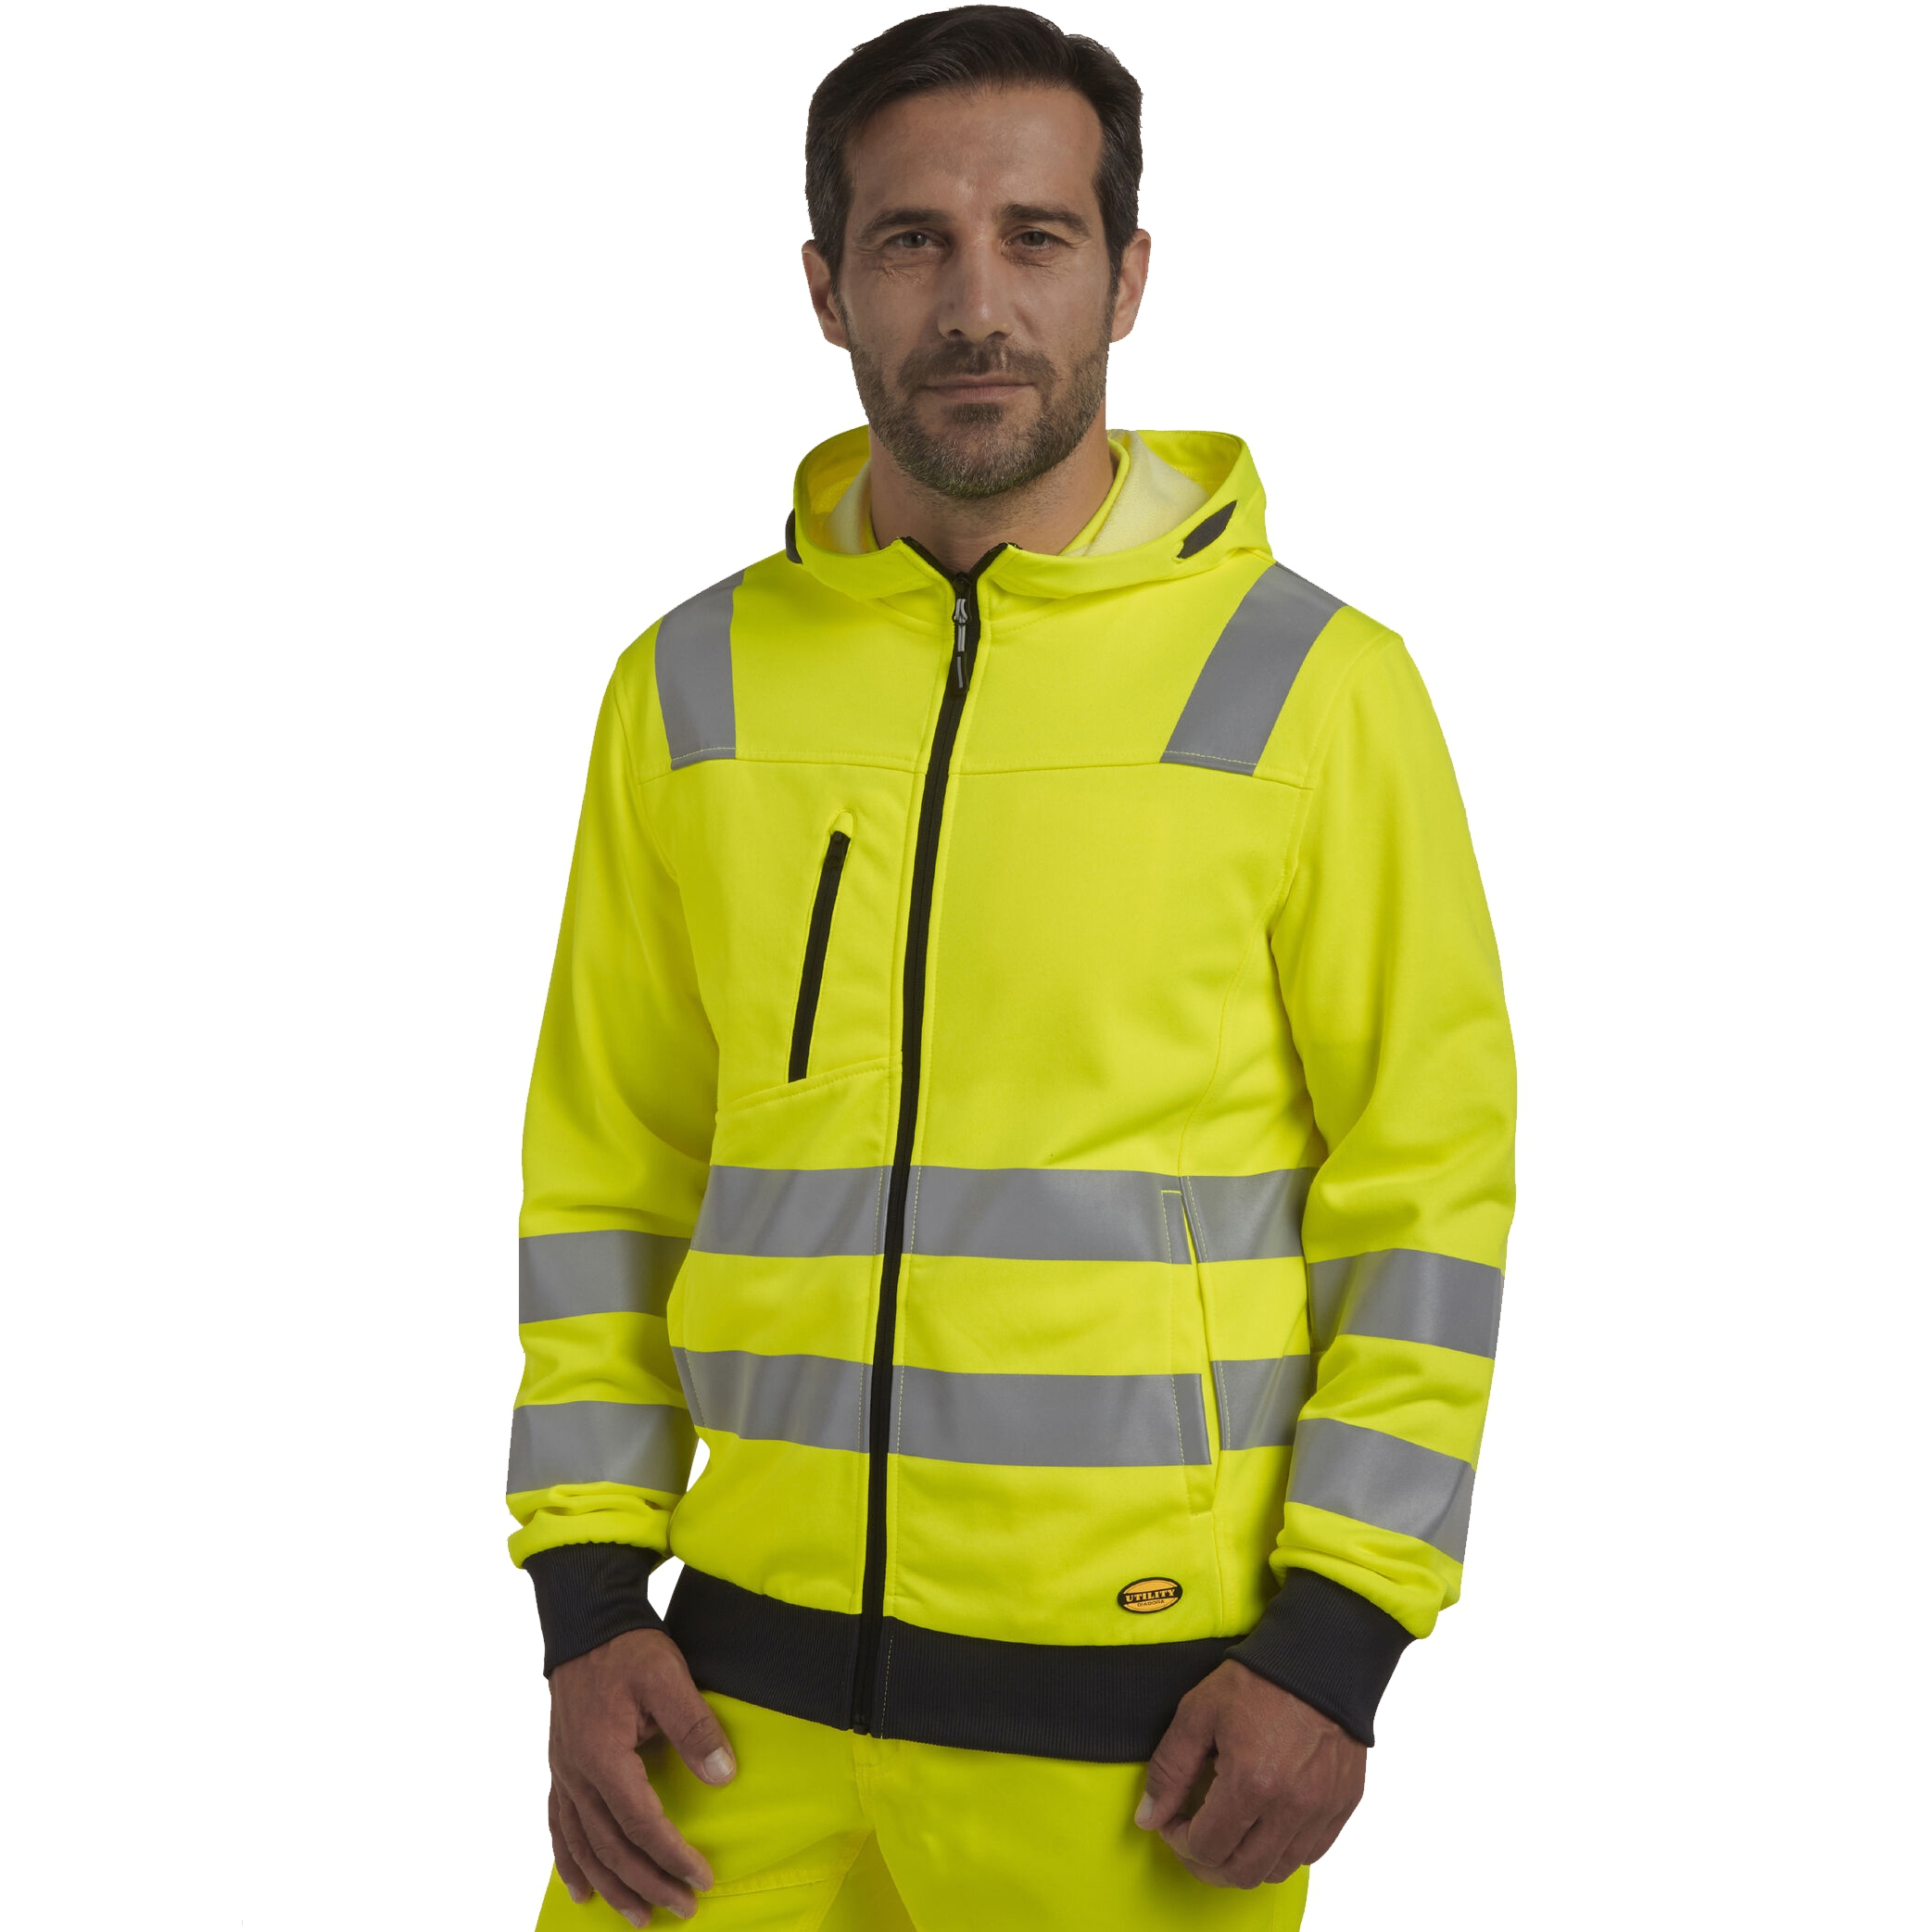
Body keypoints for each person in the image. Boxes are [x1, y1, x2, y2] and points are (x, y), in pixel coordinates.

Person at [508, 7, 1515, 1926]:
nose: (976, 304)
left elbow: (1427, 1192)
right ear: (827, 287)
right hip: (721, 1717)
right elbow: (608, 1172)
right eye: (912, 241)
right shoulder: (688, 685)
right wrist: (582, 1595)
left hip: (1151, 1741)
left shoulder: (1316, 688)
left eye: (1034, 237)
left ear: (1123, 276)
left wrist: (1338, 1643)